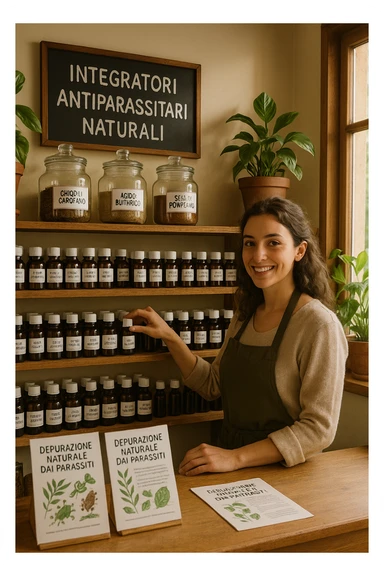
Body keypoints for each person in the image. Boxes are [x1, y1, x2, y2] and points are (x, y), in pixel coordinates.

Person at [125, 197, 348, 476]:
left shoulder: (318, 325)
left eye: (273, 243)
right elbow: (213, 384)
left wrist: (235, 458)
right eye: (249, 243)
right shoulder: (246, 314)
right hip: (230, 463)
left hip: (285, 473)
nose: (258, 256)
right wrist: (170, 337)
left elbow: (318, 430)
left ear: (299, 250)